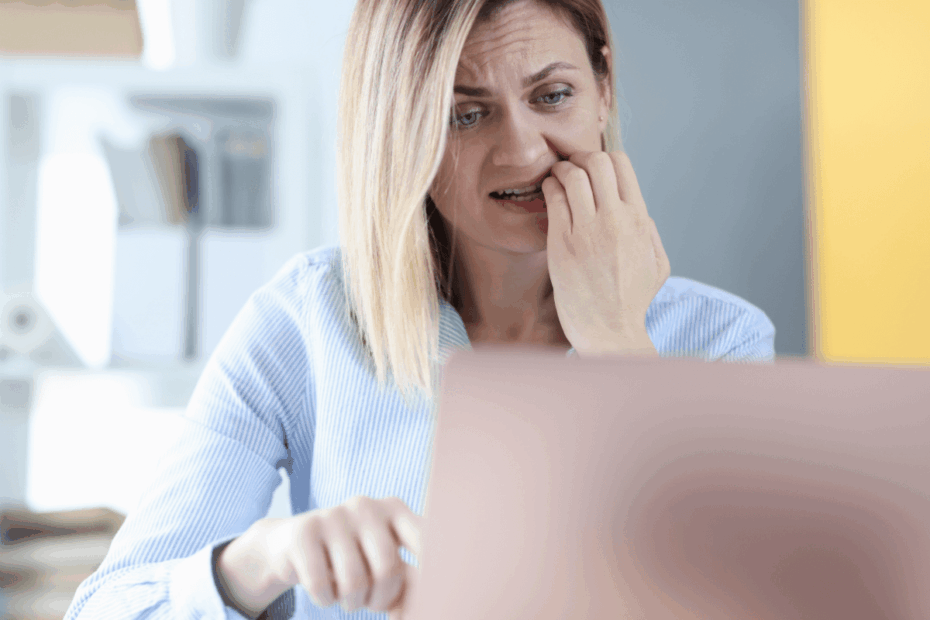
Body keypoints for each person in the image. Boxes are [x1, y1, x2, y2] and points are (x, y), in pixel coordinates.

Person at [64, 0, 776, 618]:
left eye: (553, 96)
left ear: (604, 88)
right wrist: (264, 559)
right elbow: (108, 609)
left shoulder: (721, 340)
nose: (523, 150)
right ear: (401, 132)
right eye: (466, 114)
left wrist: (617, 345)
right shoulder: (304, 323)